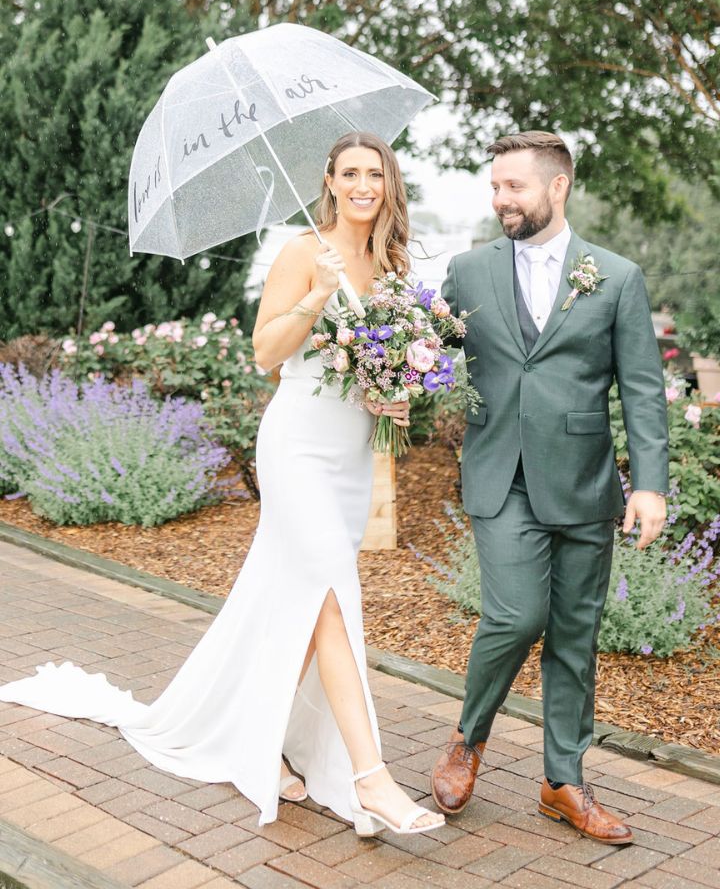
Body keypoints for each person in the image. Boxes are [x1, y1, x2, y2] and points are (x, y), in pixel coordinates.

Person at [0, 131, 444, 837]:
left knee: (305, 601)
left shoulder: (391, 265)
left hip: (352, 452)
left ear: (389, 185)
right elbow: (266, 352)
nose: (364, 185)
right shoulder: (305, 252)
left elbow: (376, 369)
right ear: (329, 181)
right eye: (351, 173)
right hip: (297, 443)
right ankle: (372, 778)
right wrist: (317, 297)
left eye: (376, 173)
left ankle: (256, 742)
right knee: (330, 595)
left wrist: (394, 396)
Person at [431, 131, 668, 845]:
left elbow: (644, 390)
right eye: (495, 187)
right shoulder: (466, 272)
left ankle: (563, 779)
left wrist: (649, 485)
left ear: (556, 187)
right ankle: (466, 739)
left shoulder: (616, 276)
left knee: (575, 633)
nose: (501, 199)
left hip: (586, 484)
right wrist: (382, 363)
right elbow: (427, 355)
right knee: (516, 615)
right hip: (502, 477)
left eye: (514, 187)